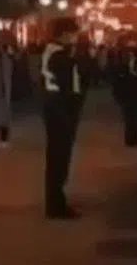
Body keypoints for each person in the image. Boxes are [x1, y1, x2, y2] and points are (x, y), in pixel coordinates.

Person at [41, 18, 85, 219]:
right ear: (64, 34)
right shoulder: (59, 55)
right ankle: (56, 204)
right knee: (59, 158)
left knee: (57, 157)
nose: (74, 37)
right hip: (60, 109)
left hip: (55, 108)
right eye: (72, 34)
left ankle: (56, 200)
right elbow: (69, 84)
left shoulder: (52, 52)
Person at [116, 40, 137, 147]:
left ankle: (131, 138)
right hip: (133, 93)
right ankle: (133, 138)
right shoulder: (134, 64)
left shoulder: (127, 63)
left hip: (130, 93)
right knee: (133, 116)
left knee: (131, 116)